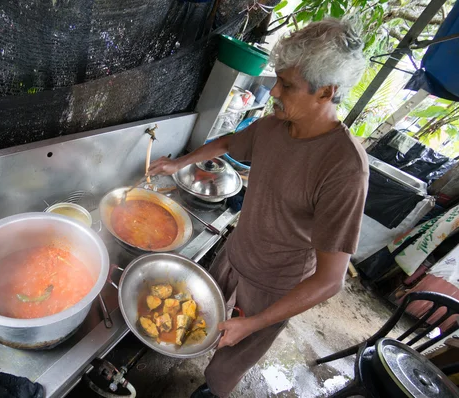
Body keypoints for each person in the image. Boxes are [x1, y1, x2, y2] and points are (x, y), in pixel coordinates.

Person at [147, 18, 369, 398]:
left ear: (326, 92)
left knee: (230, 356)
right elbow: (228, 142)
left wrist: (255, 324)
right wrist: (176, 163)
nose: (275, 91)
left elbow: (330, 280)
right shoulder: (273, 127)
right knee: (199, 318)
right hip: (235, 255)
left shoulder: (345, 167)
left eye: (287, 85)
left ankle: (210, 390)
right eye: (278, 79)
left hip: (276, 285)